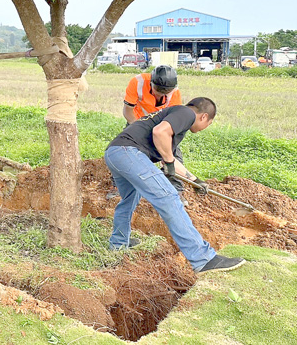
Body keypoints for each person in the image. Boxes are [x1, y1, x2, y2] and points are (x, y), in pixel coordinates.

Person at [104, 97, 246, 273]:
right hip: (129, 153)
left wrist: (195, 181)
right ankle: (202, 259)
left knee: (129, 200)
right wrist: (169, 162)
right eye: (208, 123)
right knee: (169, 197)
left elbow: (167, 155)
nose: (204, 128)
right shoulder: (186, 113)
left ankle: (118, 245)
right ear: (204, 117)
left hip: (115, 153)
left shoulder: (172, 119)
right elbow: (159, 133)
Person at [108, 65, 183, 200]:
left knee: (173, 151)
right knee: (124, 149)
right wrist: (138, 129)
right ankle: (118, 186)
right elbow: (128, 110)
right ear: (151, 83)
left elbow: (172, 120)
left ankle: (175, 188)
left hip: (161, 125)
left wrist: (164, 145)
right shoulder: (138, 82)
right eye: (157, 91)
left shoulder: (175, 93)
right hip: (136, 121)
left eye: (164, 93)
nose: (160, 95)